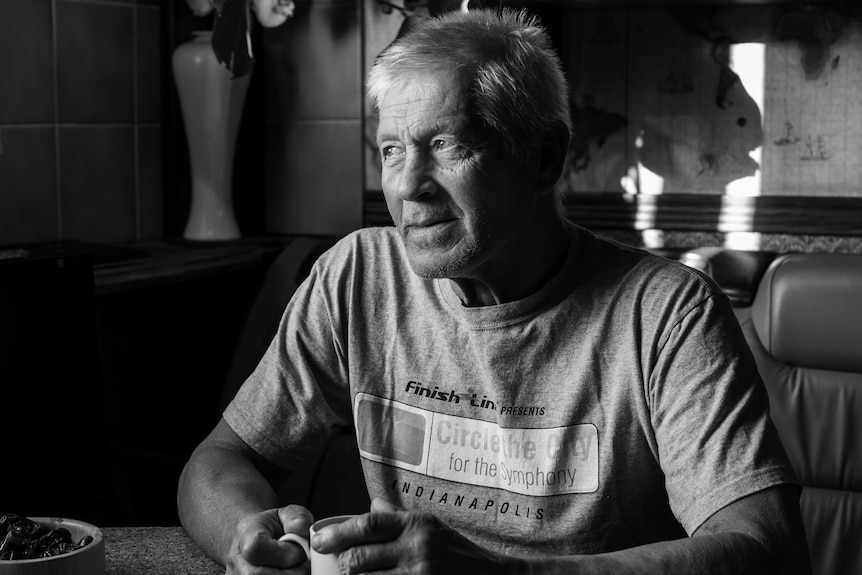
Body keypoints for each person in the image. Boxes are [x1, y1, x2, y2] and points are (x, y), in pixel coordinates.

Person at [178, 8, 811, 574]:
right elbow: (219, 463)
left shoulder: (667, 313)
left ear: (544, 158)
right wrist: (243, 533)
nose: (407, 186)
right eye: (392, 151)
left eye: (445, 145)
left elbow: (767, 548)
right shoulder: (357, 277)